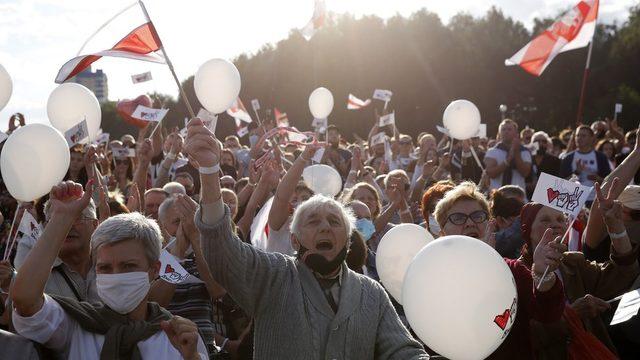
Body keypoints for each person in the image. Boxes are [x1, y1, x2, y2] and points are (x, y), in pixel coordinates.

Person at [185, 117, 428, 359]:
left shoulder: (371, 293)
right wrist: (209, 171)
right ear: (294, 240)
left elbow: (402, 349)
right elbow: (223, 254)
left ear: (348, 239)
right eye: (313, 221)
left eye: (334, 222)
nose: (325, 227)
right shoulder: (273, 275)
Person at [11, 181, 208, 359]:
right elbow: (25, 300)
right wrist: (62, 216)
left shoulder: (180, 335)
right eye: (104, 268)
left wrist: (192, 357)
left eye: (128, 266)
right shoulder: (76, 325)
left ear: (154, 269)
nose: (116, 275)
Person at [434, 181, 565, 359]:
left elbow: (548, 314)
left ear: (490, 224)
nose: (470, 223)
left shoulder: (512, 270)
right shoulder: (433, 280)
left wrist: (543, 275)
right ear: (442, 232)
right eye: (458, 218)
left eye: (478, 216)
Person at [519, 182, 639, 357]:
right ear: (527, 230)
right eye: (545, 219)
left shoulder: (574, 263)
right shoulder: (515, 273)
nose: (555, 224)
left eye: (561, 219)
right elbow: (523, 335)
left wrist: (616, 226)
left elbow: (622, 276)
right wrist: (573, 314)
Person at [14, 197, 99, 303]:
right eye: (58, 220)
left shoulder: (113, 264)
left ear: (95, 225)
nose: (68, 225)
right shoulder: (36, 276)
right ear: (47, 228)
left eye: (77, 217)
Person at [559, 125, 611, 203]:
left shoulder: (600, 157)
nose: (579, 138)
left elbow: (609, 181)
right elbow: (561, 183)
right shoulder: (568, 158)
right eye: (577, 135)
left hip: (595, 201)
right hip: (573, 201)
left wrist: (597, 178)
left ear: (591, 138)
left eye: (583, 136)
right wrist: (577, 173)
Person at [484, 119, 532, 195]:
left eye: (509, 129)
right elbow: (491, 173)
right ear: (499, 133)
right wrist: (508, 159)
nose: (506, 131)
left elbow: (525, 173)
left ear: (516, 133)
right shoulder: (492, 151)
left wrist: (516, 152)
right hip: (498, 198)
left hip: (518, 198)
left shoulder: (524, 152)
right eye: (503, 129)